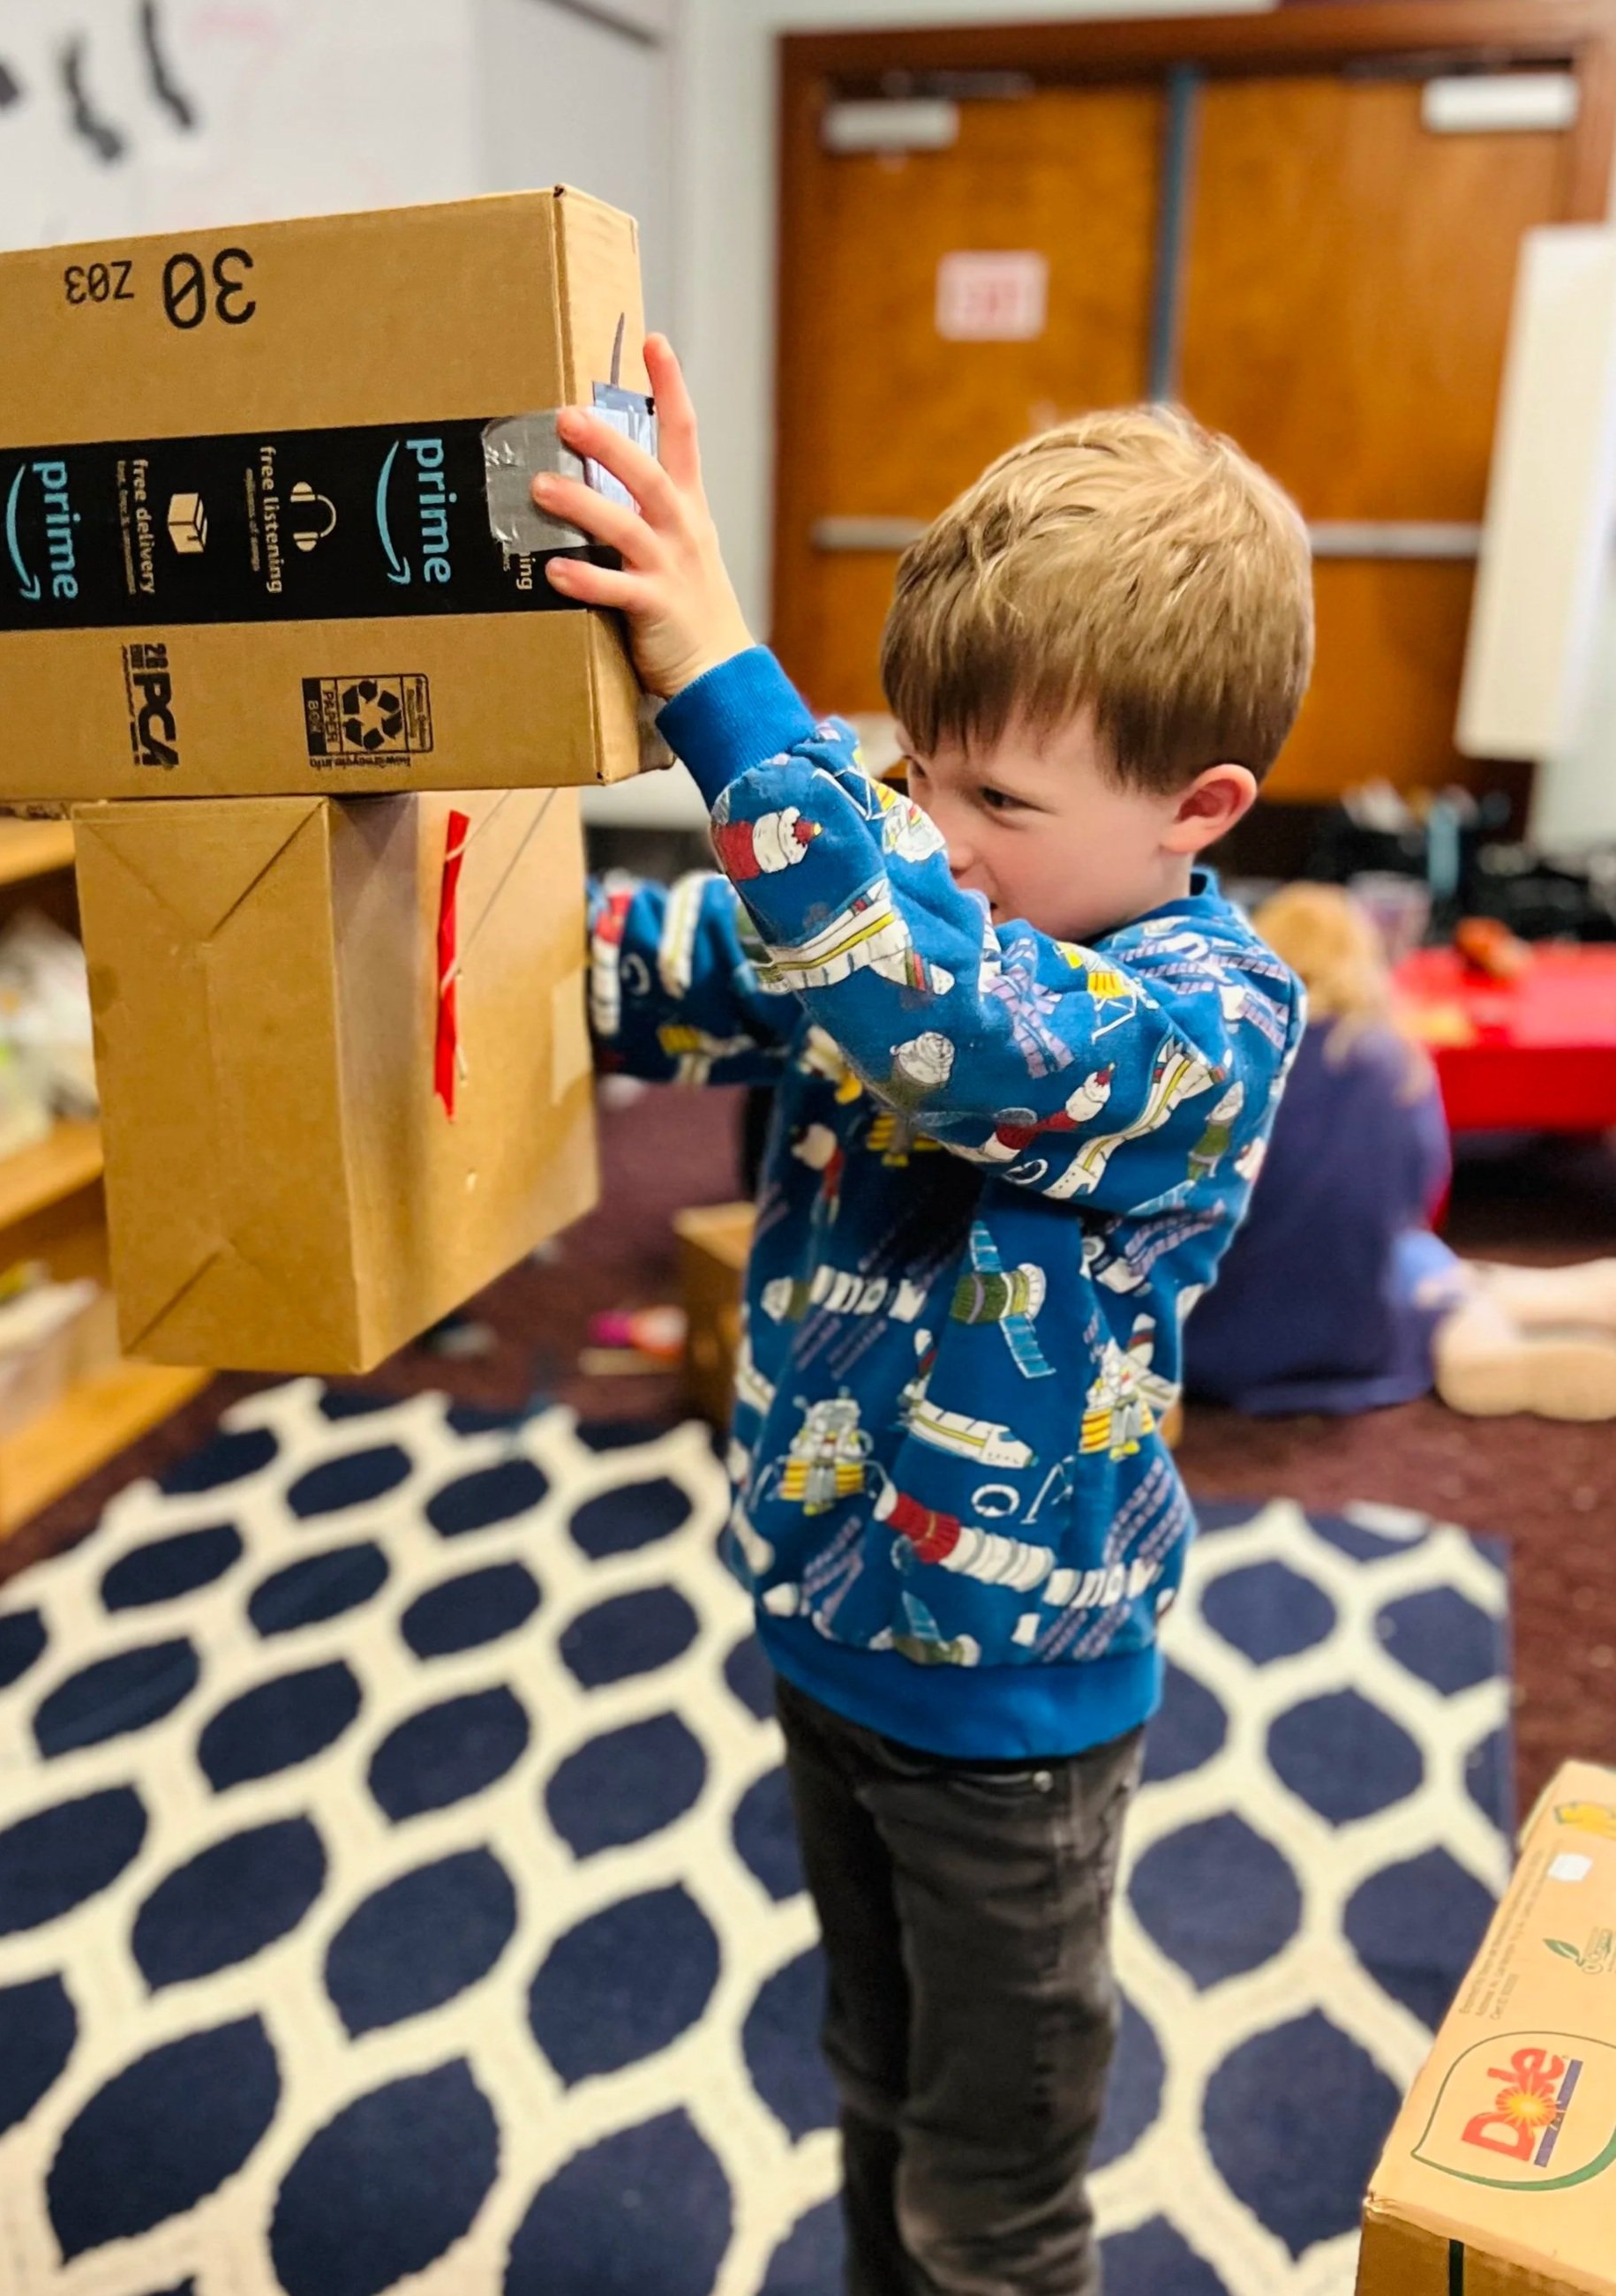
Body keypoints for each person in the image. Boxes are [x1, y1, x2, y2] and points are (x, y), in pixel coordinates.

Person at [543, 344, 1311, 2296]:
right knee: (867, 2086)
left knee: (989, 2185)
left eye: (994, 794)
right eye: (908, 770)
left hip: (1011, 1712)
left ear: (1191, 808)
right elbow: (675, 966)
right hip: (826, 1624)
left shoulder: (1203, 1015)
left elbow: (948, 1015)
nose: (934, 829)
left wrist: (727, 682)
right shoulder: (907, 895)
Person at [1185, 881, 1616, 1420]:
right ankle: (1500, 1321)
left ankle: (1495, 1321)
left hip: (1216, 1332)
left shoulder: (1226, 1057)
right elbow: (1420, 1197)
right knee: (1417, 1263)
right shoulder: (1394, 1059)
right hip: (1354, 1328)